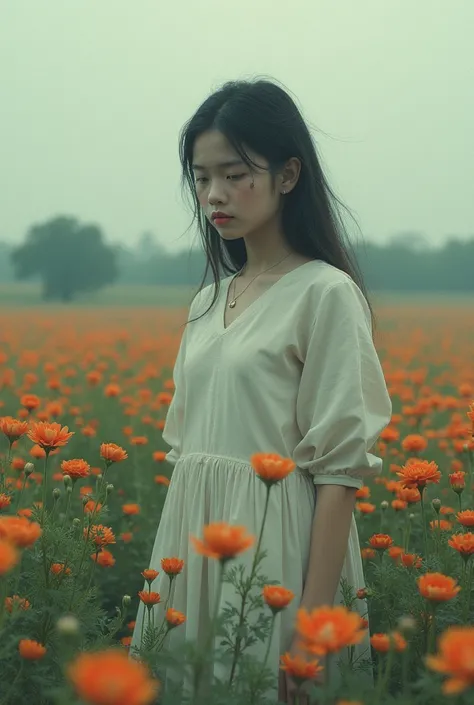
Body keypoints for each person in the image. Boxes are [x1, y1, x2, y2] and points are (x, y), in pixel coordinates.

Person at [131, 77, 392, 704]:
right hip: (190, 544)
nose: (214, 194)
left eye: (235, 173)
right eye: (200, 178)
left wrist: (309, 625)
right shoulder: (207, 300)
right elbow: (190, 449)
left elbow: (339, 472)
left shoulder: (325, 293)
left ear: (288, 174)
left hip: (278, 548)